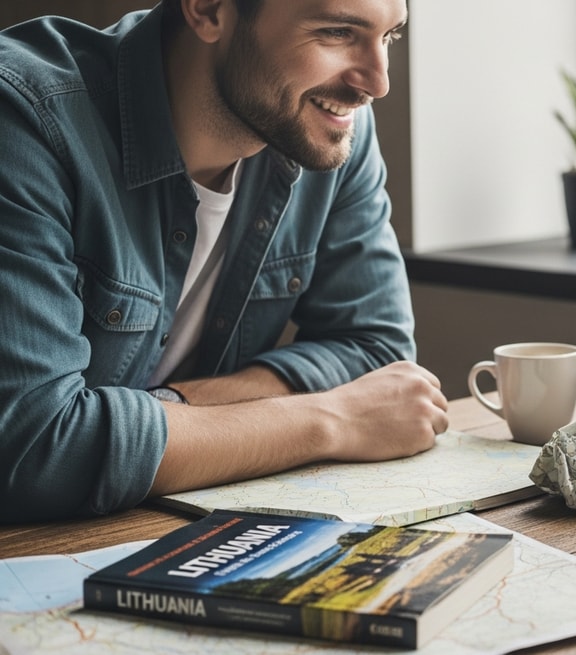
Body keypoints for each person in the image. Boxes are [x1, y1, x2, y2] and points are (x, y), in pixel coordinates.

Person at [0, 0, 449, 523]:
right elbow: (35, 450)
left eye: (389, 37)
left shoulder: (326, 126)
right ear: (209, 10)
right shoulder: (26, 117)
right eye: (337, 32)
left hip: (158, 529)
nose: (377, 83)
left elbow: (376, 351)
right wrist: (331, 419)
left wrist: (172, 409)